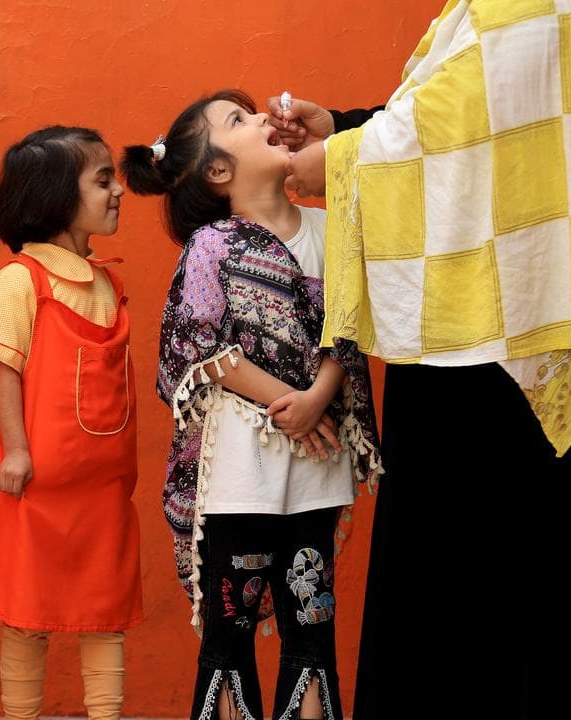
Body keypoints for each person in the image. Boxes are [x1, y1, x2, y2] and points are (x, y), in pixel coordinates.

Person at [277, 2, 571, 717]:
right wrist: (349, 128)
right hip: (533, 301)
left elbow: (481, 113)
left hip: (511, 328)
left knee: (494, 591)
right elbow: (485, 116)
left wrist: (342, 158)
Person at [122, 90, 380, 720]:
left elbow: (347, 327)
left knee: (312, 632)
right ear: (217, 171)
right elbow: (196, 349)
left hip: (316, 475)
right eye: (238, 121)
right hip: (237, 478)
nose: (264, 116)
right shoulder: (212, 247)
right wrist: (290, 404)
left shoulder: (329, 230)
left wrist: (319, 396)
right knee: (229, 640)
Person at [0, 126, 142, 720]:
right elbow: (3, 368)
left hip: (101, 488)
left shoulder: (109, 283)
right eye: (103, 179)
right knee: (26, 614)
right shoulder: (21, 280)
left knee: (105, 612)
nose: (118, 191)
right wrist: (16, 452)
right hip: (34, 486)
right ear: (57, 194)